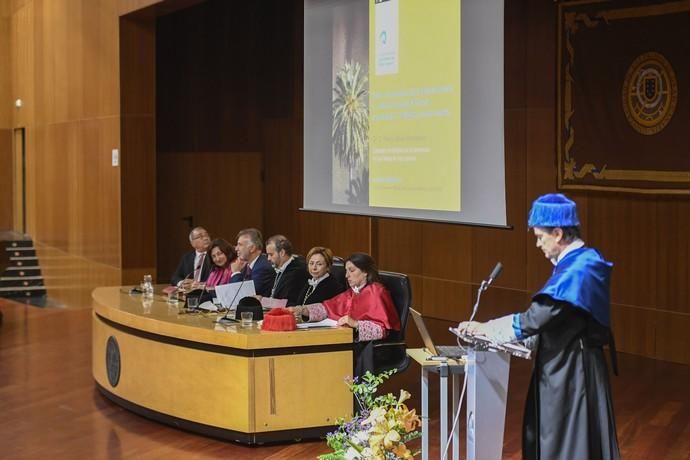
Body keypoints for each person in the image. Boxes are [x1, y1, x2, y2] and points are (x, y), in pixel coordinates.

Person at [458, 193, 620, 460]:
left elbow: (536, 318)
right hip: (566, 362)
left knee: (568, 444)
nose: (537, 244)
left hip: (573, 370)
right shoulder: (579, 261)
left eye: (539, 237)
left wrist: (485, 329)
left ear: (558, 233)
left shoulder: (579, 268)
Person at [290, 252, 400, 376]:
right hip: (350, 341)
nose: (347, 275)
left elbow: (381, 330)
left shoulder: (377, 292)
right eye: (346, 271)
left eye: (351, 271)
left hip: (371, 348)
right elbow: (328, 307)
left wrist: (355, 323)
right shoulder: (353, 292)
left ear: (365, 272)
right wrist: (303, 309)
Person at [264, 235, 309, 305]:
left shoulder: (297, 271)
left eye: (271, 254)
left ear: (282, 252)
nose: (268, 259)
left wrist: (263, 301)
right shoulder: (280, 268)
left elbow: (287, 303)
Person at [230, 228, 275, 297]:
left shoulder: (262, 267)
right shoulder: (246, 266)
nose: (236, 248)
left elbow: (244, 295)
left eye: (240, 245)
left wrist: (236, 272)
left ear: (252, 248)